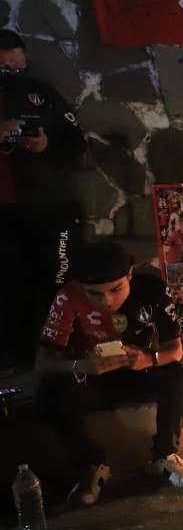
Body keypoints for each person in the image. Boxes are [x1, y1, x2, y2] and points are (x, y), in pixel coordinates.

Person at [35, 239, 183, 505]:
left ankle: (165, 456)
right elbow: (43, 363)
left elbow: (175, 350)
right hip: (91, 380)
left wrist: (148, 359)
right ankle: (92, 465)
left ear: (130, 275)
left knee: (176, 375)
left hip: (138, 371)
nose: (107, 301)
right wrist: (81, 366)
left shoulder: (151, 290)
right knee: (49, 392)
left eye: (116, 289)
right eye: (95, 294)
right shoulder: (68, 297)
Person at [0, 29, 87, 371]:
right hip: (5, 210)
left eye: (16, 65)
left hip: (52, 207)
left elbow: (76, 143)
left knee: (57, 280)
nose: (11, 73)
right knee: (10, 284)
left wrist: (46, 145)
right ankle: (14, 359)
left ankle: (59, 351)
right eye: (3, 67)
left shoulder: (42, 93)